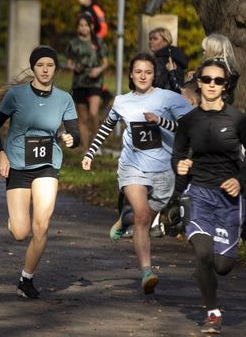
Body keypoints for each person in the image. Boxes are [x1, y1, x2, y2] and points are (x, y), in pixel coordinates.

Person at [82, 53, 193, 294]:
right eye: (138, 71)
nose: (143, 76)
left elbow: (188, 127)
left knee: (141, 217)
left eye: (148, 72)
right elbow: (105, 127)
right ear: (131, 75)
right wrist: (90, 153)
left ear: (154, 75)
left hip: (164, 169)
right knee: (143, 215)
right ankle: (147, 272)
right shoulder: (121, 101)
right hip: (132, 166)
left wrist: (161, 121)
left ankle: (124, 219)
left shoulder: (169, 98)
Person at [173, 58, 246, 334]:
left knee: (221, 266)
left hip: (229, 200)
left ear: (225, 86)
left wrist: (239, 179)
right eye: (207, 79)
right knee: (203, 252)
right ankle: (212, 314)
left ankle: (205, 270)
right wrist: (180, 165)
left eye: (218, 81)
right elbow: (177, 153)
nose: (212, 84)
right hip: (198, 194)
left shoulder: (237, 119)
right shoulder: (188, 121)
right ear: (199, 83)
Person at [0, 46, 80, 299]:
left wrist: (70, 139)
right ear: (33, 68)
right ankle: (14, 222)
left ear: (56, 69)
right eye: (40, 65)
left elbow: (76, 134)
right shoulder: (17, 96)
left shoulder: (64, 99)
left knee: (42, 226)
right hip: (17, 163)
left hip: (48, 165)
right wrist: (1, 154)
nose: (45, 70)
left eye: (50, 65)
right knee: (21, 232)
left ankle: (26, 279)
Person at [64, 13, 109, 151]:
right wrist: (73, 67)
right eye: (80, 25)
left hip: (95, 81)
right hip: (79, 82)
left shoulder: (98, 42)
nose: (83, 28)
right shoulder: (73, 43)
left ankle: (95, 143)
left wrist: (98, 70)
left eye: (86, 25)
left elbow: (106, 63)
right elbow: (69, 63)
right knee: (82, 118)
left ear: (91, 26)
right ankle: (85, 148)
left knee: (94, 113)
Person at [149, 27, 187, 92]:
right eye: (150, 39)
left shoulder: (162, 58)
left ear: (165, 41)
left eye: (155, 39)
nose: (150, 42)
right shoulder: (175, 55)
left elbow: (155, 84)